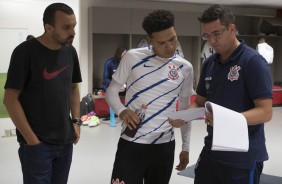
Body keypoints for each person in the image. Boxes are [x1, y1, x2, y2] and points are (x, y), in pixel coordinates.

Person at [170, 4, 273, 184]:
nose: (211, 40)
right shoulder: (209, 63)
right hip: (212, 150)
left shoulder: (253, 62)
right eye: (207, 35)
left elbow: (265, 112)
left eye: (216, 33)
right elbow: (200, 101)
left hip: (243, 157)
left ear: (232, 29)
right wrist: (184, 116)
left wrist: (226, 119)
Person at [106, 9, 194, 184]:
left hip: (164, 146)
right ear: (150, 41)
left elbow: (184, 110)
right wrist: (122, 111)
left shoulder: (185, 68)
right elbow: (112, 91)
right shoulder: (132, 57)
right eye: (161, 43)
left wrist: (185, 148)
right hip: (131, 143)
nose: (170, 46)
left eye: (173, 39)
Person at [3, 3, 82, 184]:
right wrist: (31, 140)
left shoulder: (70, 51)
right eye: (66, 27)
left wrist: (76, 122)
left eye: (74, 26)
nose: (73, 32)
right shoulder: (25, 52)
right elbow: (10, 99)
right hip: (38, 145)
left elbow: (73, 88)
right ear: (48, 27)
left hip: (65, 142)